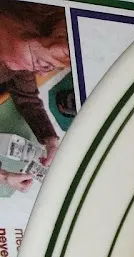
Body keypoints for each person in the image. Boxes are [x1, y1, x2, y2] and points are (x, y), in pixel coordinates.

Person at [0, 0, 70, 190]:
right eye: (41, 63)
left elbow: (27, 96)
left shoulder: (16, 59)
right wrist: (4, 176)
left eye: (50, 68)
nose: (41, 73)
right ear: (16, 26)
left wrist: (49, 138)